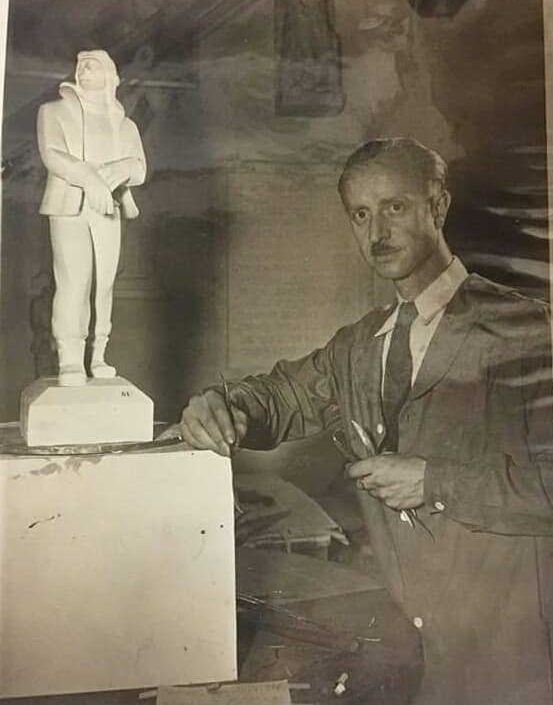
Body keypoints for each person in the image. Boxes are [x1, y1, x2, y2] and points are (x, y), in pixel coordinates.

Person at [174, 138, 553, 705]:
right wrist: (220, 404)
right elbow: (277, 397)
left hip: (513, 661)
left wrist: (433, 481)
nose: (377, 231)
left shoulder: (525, 329)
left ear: (438, 207)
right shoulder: (359, 347)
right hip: (416, 661)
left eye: (395, 207)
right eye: (360, 214)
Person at [37, 50, 146, 387]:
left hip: (108, 208)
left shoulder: (124, 125)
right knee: (75, 280)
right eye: (81, 64)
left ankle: (98, 354)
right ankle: (71, 358)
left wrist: (121, 169)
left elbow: (139, 168)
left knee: (105, 284)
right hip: (69, 206)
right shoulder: (53, 112)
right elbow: (52, 154)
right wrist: (91, 179)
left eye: (93, 64)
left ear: (111, 75)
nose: (84, 67)